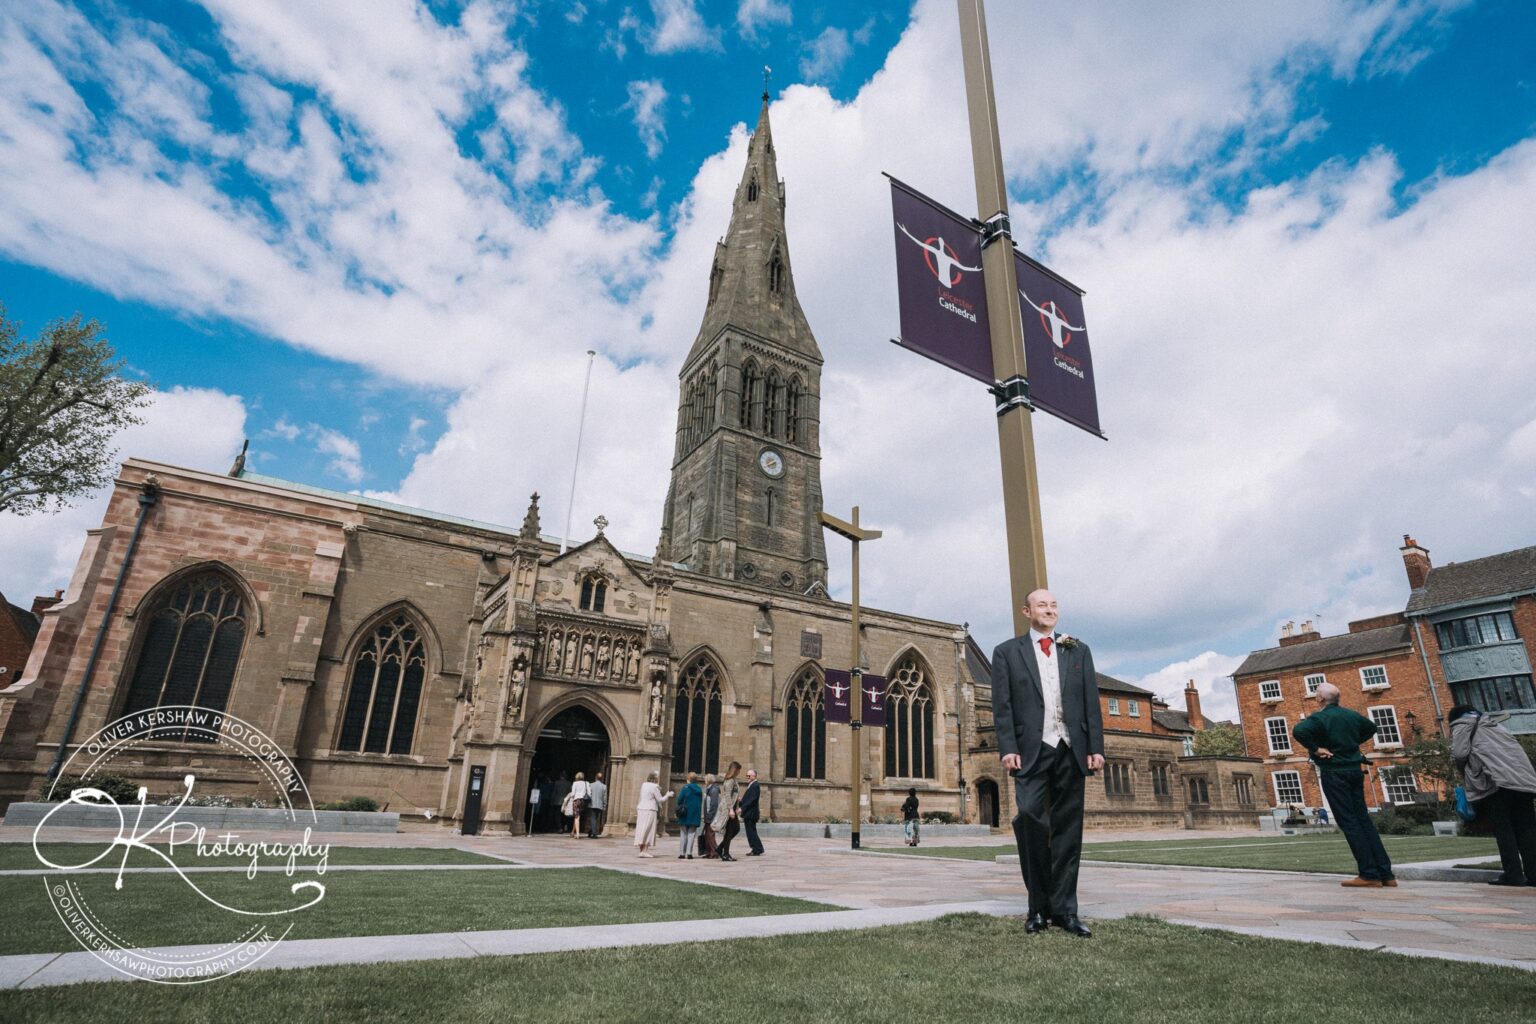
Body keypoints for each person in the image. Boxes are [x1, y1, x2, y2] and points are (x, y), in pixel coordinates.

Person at [991, 588, 1104, 938]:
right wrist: (1007, 747)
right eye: (1042, 605)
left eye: (1054, 605)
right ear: (1027, 611)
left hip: (1071, 747)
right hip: (1029, 749)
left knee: (1069, 830)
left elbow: (1090, 701)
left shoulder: (1077, 650)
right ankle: (1037, 907)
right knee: (1029, 818)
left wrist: (1095, 747)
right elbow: (1003, 705)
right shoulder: (1007, 653)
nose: (1050, 609)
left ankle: (1065, 911)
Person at [1292, 682, 1396, 888]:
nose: (1315, 698)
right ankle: (1386, 874)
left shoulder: (1319, 717)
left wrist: (1316, 748)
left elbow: (1299, 730)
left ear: (1321, 699)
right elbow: (1371, 727)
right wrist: (1350, 743)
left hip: (1335, 772)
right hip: (1355, 770)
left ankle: (1368, 874)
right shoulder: (1350, 715)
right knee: (1363, 820)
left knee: (1349, 822)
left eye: (1316, 695)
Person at [1450, 704, 1536, 887]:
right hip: (1522, 780)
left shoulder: (1462, 725)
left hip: (1495, 782)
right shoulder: (1494, 723)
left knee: (1503, 829)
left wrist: (1465, 774)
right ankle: (1534, 874)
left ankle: (1514, 875)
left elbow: (1459, 753)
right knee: (1527, 829)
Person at [633, 770, 673, 858]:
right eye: (658, 777)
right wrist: (668, 795)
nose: (659, 778)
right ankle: (644, 851)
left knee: (642, 828)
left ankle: (641, 850)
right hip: (650, 809)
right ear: (655, 778)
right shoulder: (654, 787)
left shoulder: (644, 784)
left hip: (641, 808)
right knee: (649, 829)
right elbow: (660, 800)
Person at [714, 761, 742, 861]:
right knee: (730, 830)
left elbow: (733, 795)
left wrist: (737, 801)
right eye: (739, 770)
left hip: (733, 807)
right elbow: (727, 795)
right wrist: (731, 810)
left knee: (735, 829)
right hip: (729, 808)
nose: (739, 772)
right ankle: (725, 853)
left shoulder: (733, 780)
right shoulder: (730, 780)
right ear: (735, 770)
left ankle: (720, 848)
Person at [676, 771, 704, 859]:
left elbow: (679, 799)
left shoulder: (685, 788)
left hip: (685, 813)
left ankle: (682, 853)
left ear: (688, 779)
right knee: (691, 834)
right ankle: (689, 853)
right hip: (695, 814)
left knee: (683, 833)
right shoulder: (699, 789)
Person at [739, 768, 764, 856]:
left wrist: (742, 808)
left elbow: (752, 800)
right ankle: (757, 848)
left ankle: (757, 849)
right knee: (751, 831)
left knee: (751, 832)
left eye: (749, 775)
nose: (747, 777)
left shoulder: (755, 785)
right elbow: (748, 799)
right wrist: (740, 802)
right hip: (749, 813)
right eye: (747, 776)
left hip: (751, 813)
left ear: (754, 776)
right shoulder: (752, 785)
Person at [700, 774, 721, 858]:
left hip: (712, 816)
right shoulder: (709, 789)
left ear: (708, 780)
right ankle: (709, 852)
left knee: (710, 834)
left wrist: (710, 817)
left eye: (705, 779)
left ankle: (716, 852)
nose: (704, 781)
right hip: (708, 816)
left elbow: (714, 805)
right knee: (707, 834)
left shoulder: (714, 790)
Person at [568, 772, 590, 839]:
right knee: (577, 816)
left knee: (577, 817)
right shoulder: (587, 783)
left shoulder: (575, 783)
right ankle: (572, 832)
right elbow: (589, 793)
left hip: (576, 800)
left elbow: (573, 793)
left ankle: (577, 834)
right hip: (583, 801)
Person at [586, 772, 608, 838]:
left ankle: (594, 833)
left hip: (592, 804)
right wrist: (604, 805)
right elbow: (605, 797)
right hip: (599, 805)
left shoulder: (591, 785)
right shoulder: (604, 786)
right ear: (601, 779)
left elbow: (588, 795)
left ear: (596, 777)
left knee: (593, 818)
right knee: (595, 818)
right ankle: (591, 831)